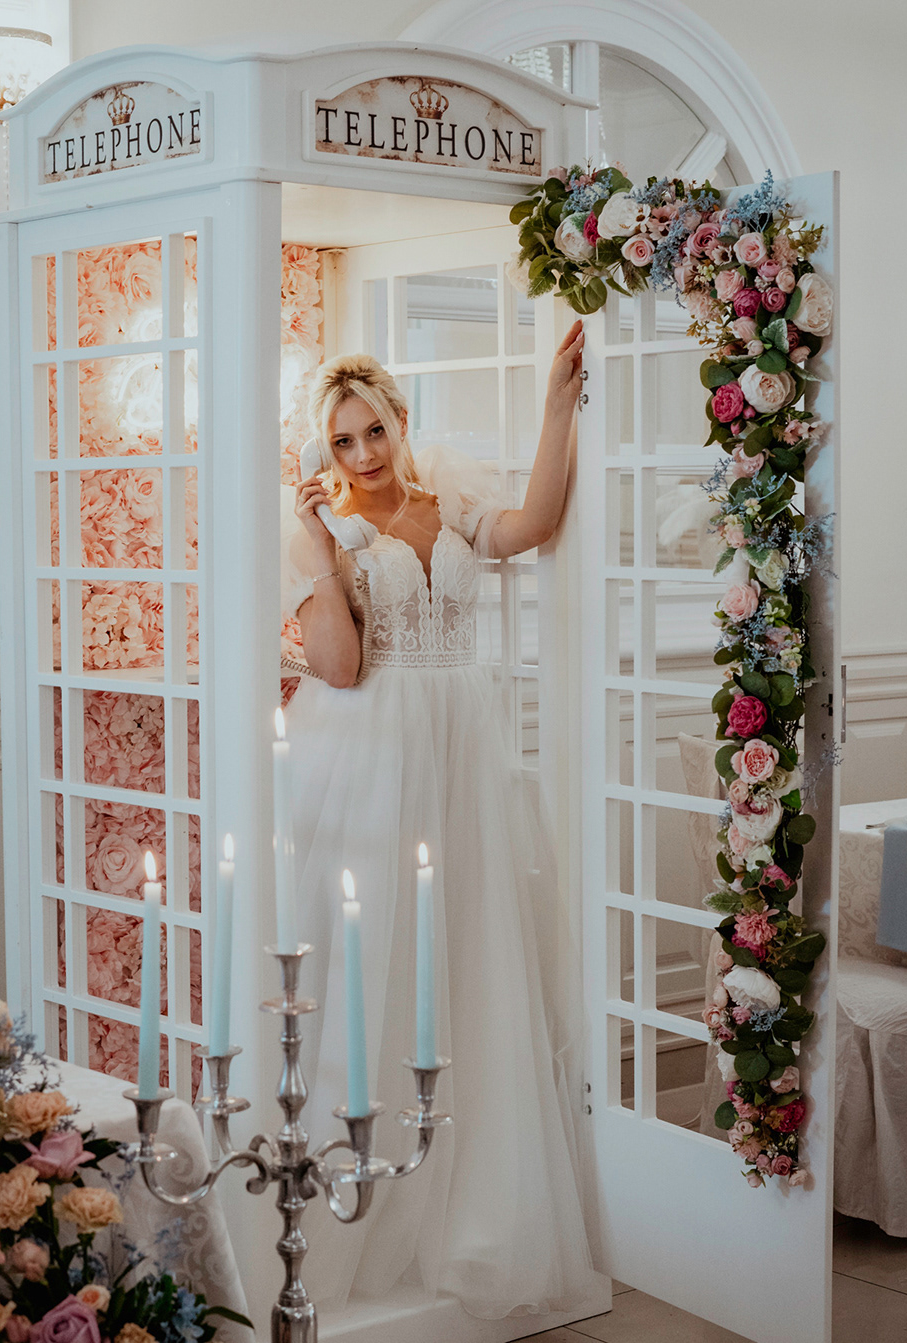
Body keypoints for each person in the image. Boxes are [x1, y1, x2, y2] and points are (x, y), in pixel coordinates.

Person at [280, 321, 604, 1319]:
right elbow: (339, 666)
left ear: (399, 418)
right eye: (343, 440)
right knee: (375, 953)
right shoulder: (323, 528)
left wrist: (558, 404)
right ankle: (358, 1199)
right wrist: (321, 546)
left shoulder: (446, 502)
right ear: (324, 448)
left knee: (469, 945)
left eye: (374, 430)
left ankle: (475, 1203)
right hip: (372, 754)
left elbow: (535, 522)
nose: (363, 454)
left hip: (463, 746)